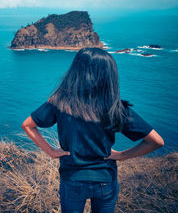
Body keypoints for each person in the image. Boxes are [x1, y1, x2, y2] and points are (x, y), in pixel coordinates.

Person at [21, 47, 164, 213]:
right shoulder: (116, 108)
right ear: (109, 75)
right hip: (105, 179)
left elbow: (28, 125)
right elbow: (157, 141)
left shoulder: (60, 102)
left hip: (72, 178)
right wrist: (121, 156)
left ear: (76, 71)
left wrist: (51, 152)